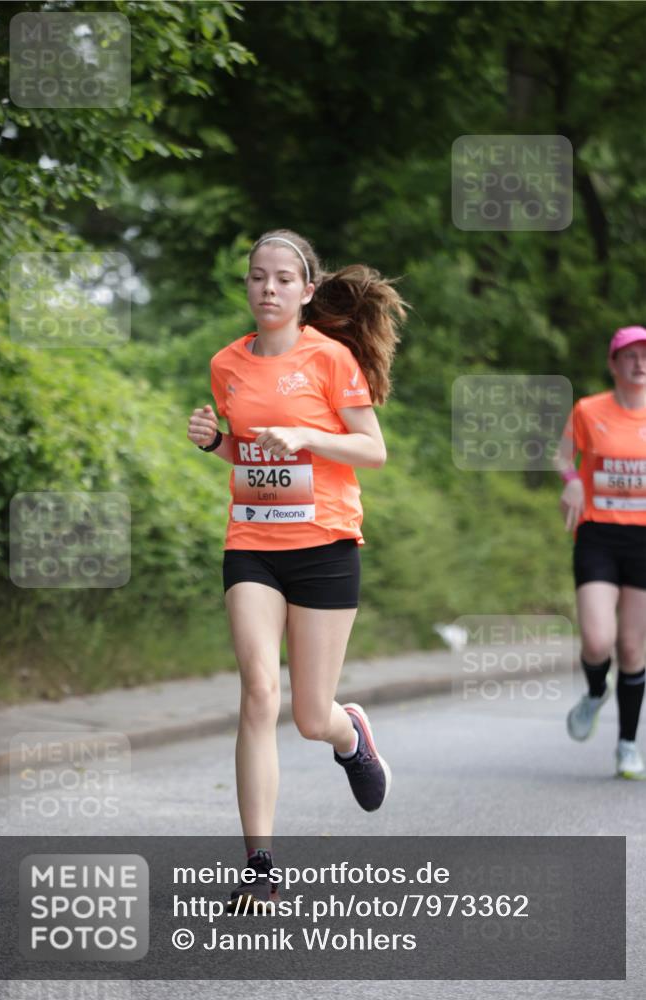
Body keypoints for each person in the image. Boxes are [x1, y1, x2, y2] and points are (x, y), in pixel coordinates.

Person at [187, 229, 407, 909]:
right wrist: (219, 443)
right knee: (259, 691)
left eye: (284, 278)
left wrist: (309, 435)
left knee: (311, 716)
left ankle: (350, 735)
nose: (269, 288)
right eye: (258, 276)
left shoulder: (331, 358)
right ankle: (259, 866)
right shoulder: (226, 364)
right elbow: (252, 455)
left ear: (307, 290)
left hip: (324, 546)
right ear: (247, 285)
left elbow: (372, 450)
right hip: (252, 542)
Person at [557, 325, 646, 779]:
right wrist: (572, 481)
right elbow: (561, 456)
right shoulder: (589, 410)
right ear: (614, 364)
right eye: (630, 355)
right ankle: (595, 692)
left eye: (645, 355)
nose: (640, 363)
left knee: (631, 647)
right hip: (598, 535)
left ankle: (627, 746)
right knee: (597, 641)